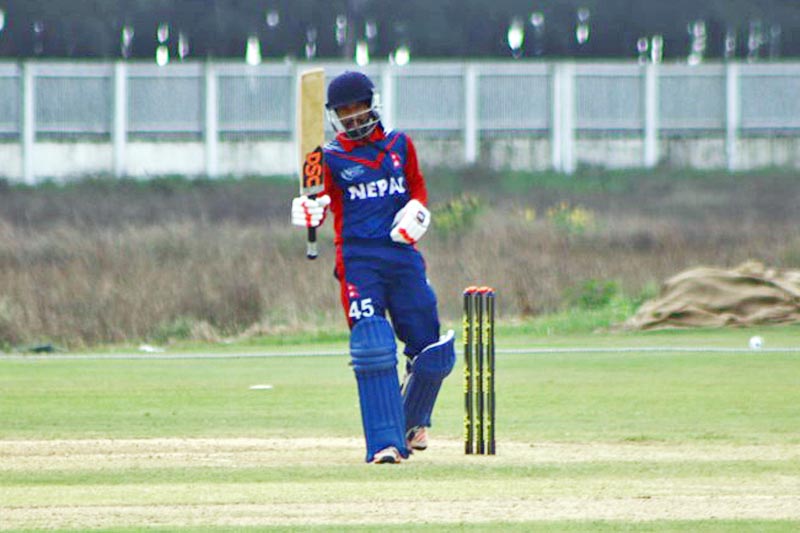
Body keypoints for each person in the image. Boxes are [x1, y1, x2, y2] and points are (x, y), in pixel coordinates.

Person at [291, 70, 455, 464]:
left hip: (402, 255)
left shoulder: (400, 145)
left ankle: (412, 421)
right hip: (359, 260)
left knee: (430, 347)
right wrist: (310, 211)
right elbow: (320, 200)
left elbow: (416, 187)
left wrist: (418, 211)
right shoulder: (329, 157)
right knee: (373, 342)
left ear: (372, 104)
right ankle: (385, 443)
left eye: (358, 107)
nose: (352, 116)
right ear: (334, 115)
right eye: (343, 111)